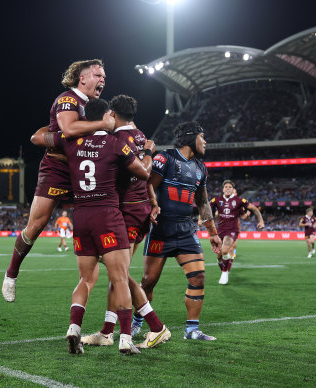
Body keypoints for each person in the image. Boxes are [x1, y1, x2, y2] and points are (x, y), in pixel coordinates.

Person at [31, 98, 154, 354]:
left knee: (85, 280)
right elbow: (143, 173)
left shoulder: (69, 142)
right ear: (107, 115)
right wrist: (149, 152)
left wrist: (65, 125)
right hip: (108, 215)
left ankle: (74, 328)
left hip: (82, 216)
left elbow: (39, 137)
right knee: (119, 279)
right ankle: (124, 339)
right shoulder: (115, 144)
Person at [2, 59, 113, 302]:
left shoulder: (94, 105)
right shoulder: (68, 99)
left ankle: (104, 249)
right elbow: (69, 128)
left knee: (97, 211)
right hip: (57, 168)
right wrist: (103, 124)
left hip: (83, 167)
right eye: (97, 74)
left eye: (104, 75)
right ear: (82, 78)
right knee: (36, 225)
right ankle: (11, 274)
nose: (102, 79)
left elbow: (48, 132)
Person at [80, 94, 170, 349]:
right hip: (138, 207)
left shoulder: (117, 139)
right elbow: (145, 174)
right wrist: (152, 201)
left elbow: (143, 170)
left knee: (120, 273)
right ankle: (108, 332)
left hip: (127, 211)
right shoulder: (141, 135)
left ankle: (156, 326)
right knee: (116, 272)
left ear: (113, 114)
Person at [135, 121, 221, 342]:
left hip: (186, 229)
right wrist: (149, 209)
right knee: (148, 281)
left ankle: (191, 330)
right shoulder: (166, 158)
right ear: (191, 137)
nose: (205, 142)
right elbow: (149, 186)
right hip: (161, 229)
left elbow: (202, 202)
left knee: (199, 277)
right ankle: (136, 322)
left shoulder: (201, 167)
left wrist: (212, 231)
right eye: (203, 137)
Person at [210, 180, 264, 285]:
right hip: (220, 230)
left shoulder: (239, 202)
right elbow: (214, 212)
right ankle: (223, 265)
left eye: (230, 187)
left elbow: (245, 215)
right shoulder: (218, 200)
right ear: (223, 189)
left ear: (234, 190)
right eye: (226, 187)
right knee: (219, 255)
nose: (228, 189)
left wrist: (257, 219)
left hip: (233, 230)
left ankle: (226, 272)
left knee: (229, 250)